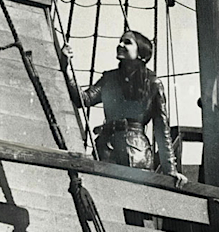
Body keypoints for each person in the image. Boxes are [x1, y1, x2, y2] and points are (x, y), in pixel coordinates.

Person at [72, 30, 188, 186]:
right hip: (106, 149)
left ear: (141, 52)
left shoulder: (153, 83)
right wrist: (67, 68)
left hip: (136, 152)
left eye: (127, 42)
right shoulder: (109, 78)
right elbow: (83, 99)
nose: (120, 45)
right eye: (120, 41)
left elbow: (161, 128)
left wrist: (170, 170)